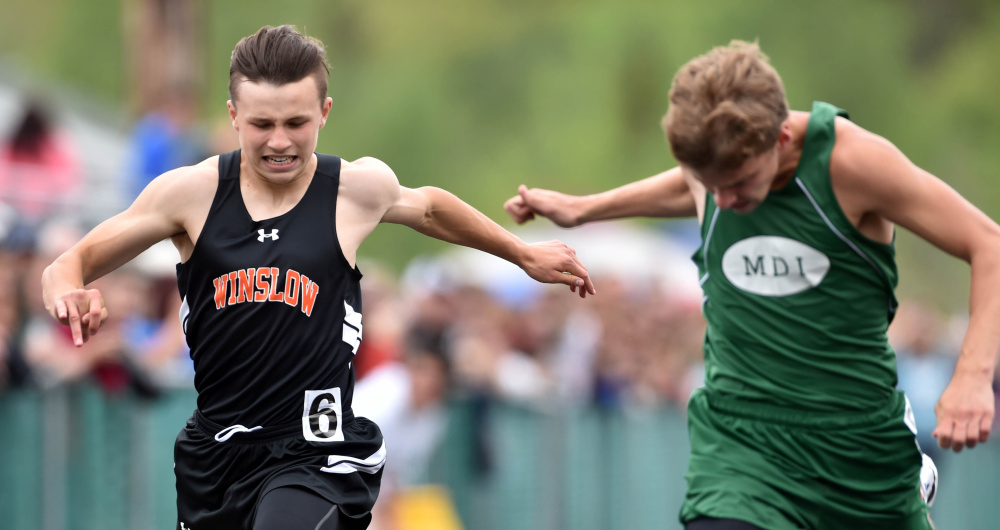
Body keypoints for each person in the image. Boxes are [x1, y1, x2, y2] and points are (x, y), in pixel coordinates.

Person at [41, 25, 595, 530]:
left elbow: (428, 209)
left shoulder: (355, 190)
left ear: (324, 113)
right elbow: (68, 263)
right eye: (261, 124)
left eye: (295, 123)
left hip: (316, 454)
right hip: (219, 456)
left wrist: (520, 254)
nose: (279, 142)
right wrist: (69, 292)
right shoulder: (189, 195)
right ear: (233, 115)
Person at [505, 40, 1000, 530]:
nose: (720, 201)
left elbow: (989, 245)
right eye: (708, 183)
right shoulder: (716, 172)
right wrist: (584, 209)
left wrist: (974, 375)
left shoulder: (853, 165)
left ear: (780, 139)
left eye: (738, 183)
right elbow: (691, 182)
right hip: (743, 440)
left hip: (855, 446)